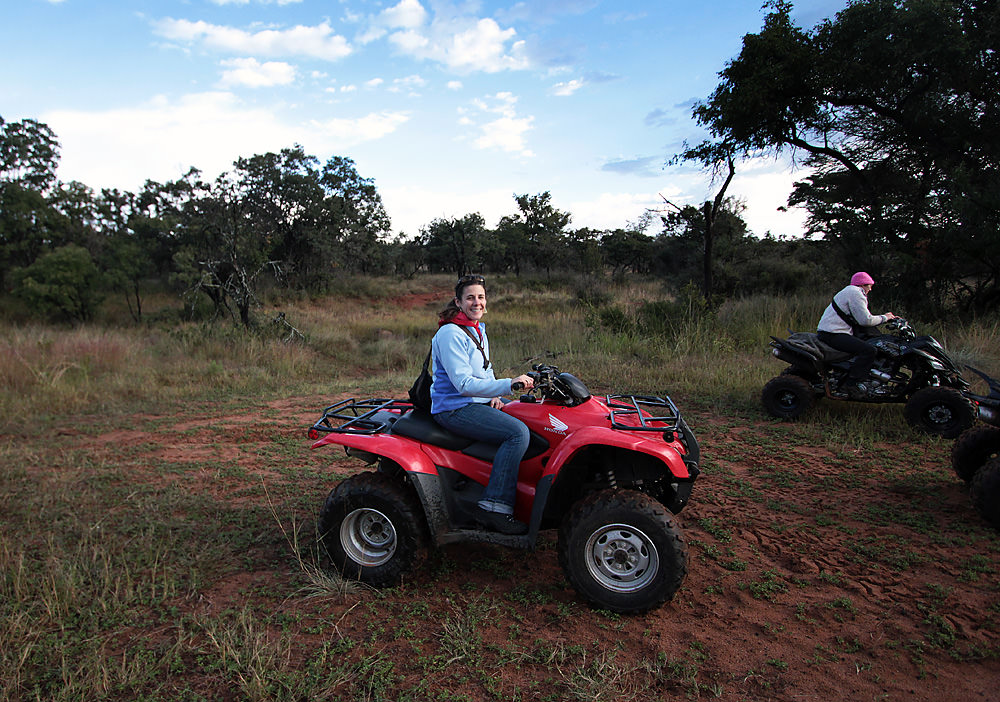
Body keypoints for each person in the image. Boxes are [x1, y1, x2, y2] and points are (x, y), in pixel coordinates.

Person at [430, 274, 535, 535]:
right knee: (516, 433)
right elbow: (463, 384)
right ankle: (494, 507)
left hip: (476, 402)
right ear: (458, 301)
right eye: (470, 298)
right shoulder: (450, 334)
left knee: (531, 414)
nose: (476, 302)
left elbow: (485, 371)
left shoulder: (476, 328)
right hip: (454, 408)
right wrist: (508, 384)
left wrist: (495, 394)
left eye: (480, 297)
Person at [816, 271, 897, 399]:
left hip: (829, 332)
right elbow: (866, 320)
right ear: (863, 284)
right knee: (869, 350)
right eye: (869, 285)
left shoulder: (848, 291)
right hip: (833, 334)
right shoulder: (856, 293)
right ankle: (851, 384)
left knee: (866, 343)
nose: (870, 289)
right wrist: (885, 318)